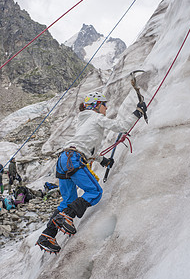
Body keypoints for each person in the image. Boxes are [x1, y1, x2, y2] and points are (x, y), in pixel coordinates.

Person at [36, 91, 147, 253]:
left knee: (68, 200)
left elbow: (87, 147)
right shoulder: (95, 117)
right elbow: (121, 126)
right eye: (104, 104)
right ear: (96, 105)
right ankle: (67, 215)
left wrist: (103, 161)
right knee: (94, 191)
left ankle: (47, 235)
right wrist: (138, 112)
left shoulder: (84, 121)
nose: (106, 107)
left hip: (63, 159)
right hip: (73, 158)